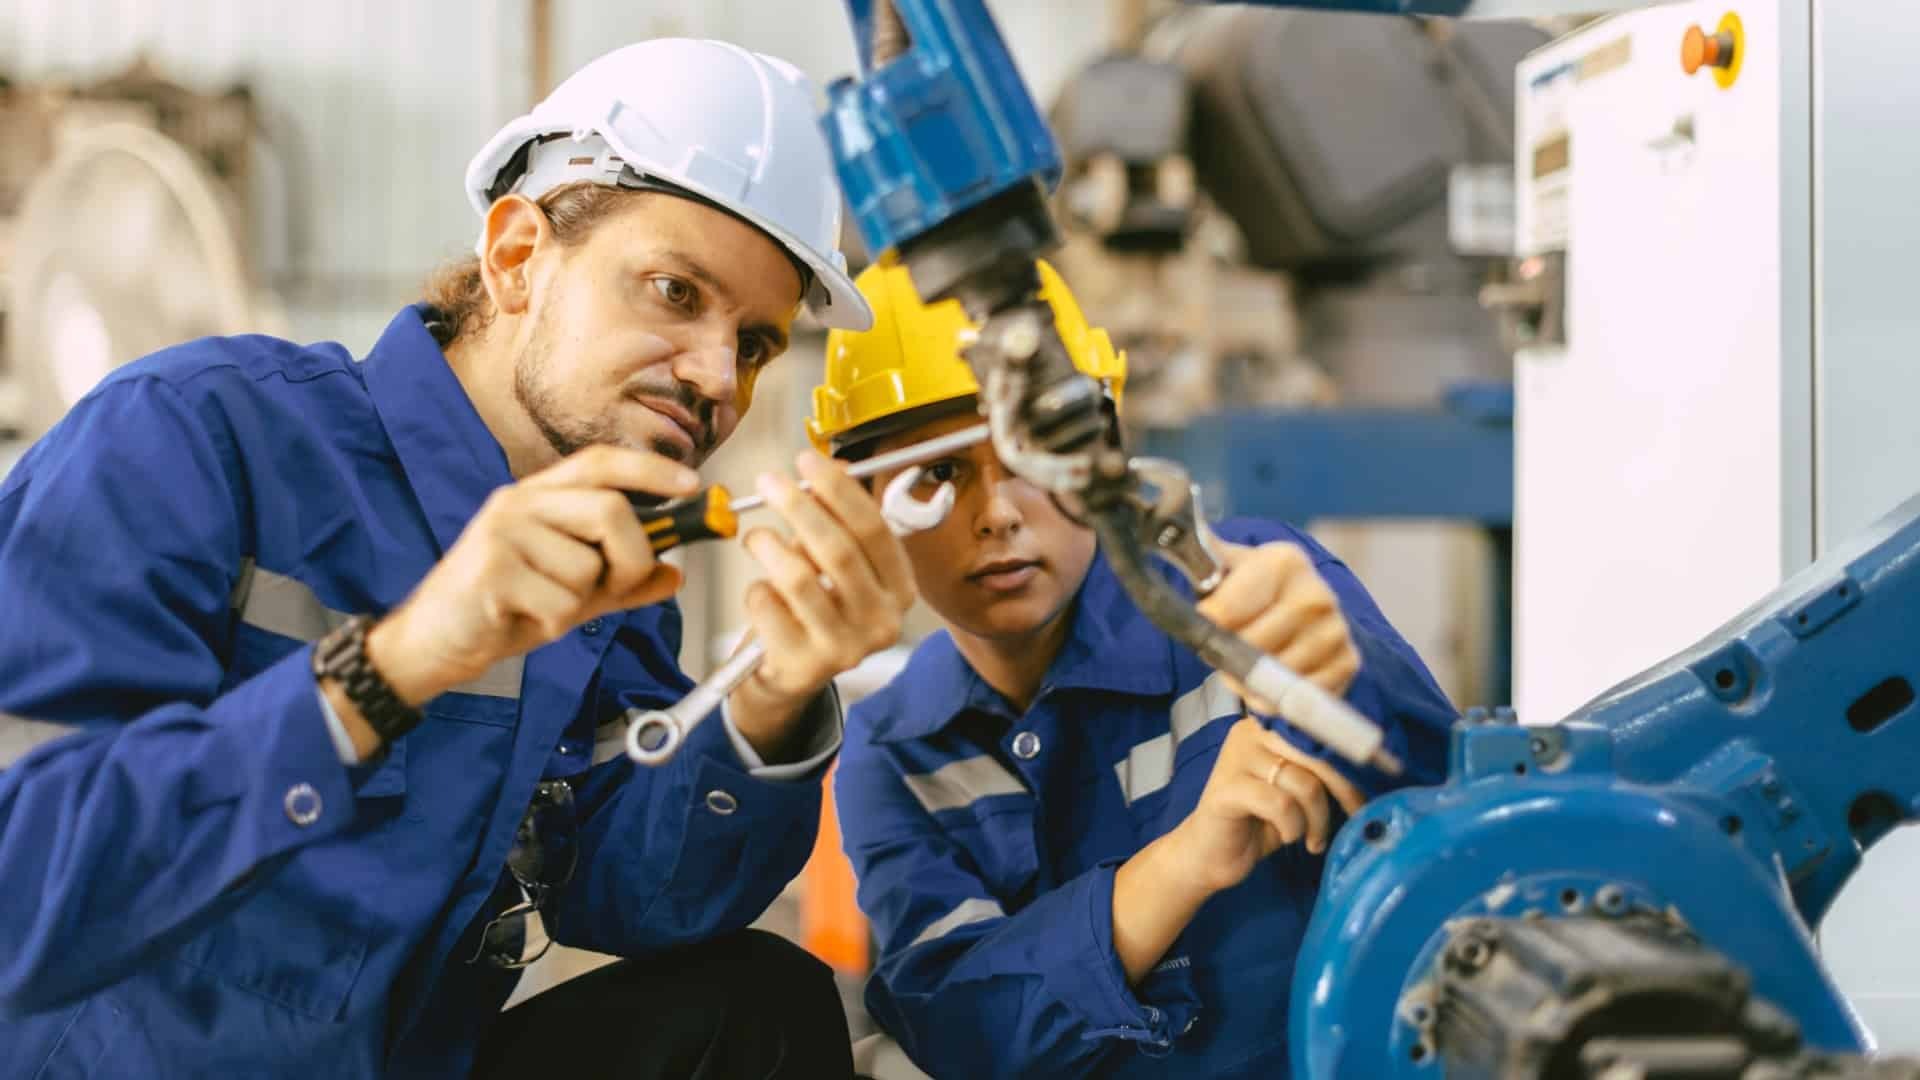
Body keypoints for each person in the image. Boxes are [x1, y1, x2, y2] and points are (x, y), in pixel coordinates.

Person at [0, 39, 912, 1079]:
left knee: (755, 1004)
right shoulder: (193, 437)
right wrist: (391, 668)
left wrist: (775, 695)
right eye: (673, 291)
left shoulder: (611, 568)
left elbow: (639, 895)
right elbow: (22, 889)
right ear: (518, 256)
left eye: (754, 342)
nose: (716, 375)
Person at [814, 260, 1459, 1078]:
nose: (1000, 513)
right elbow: (962, 1032)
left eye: (1028, 454)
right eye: (938, 473)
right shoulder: (894, 748)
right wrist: (1180, 865)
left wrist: (1344, 687)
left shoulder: (1249, 587)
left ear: (1103, 452)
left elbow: (1448, 828)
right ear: (869, 502)